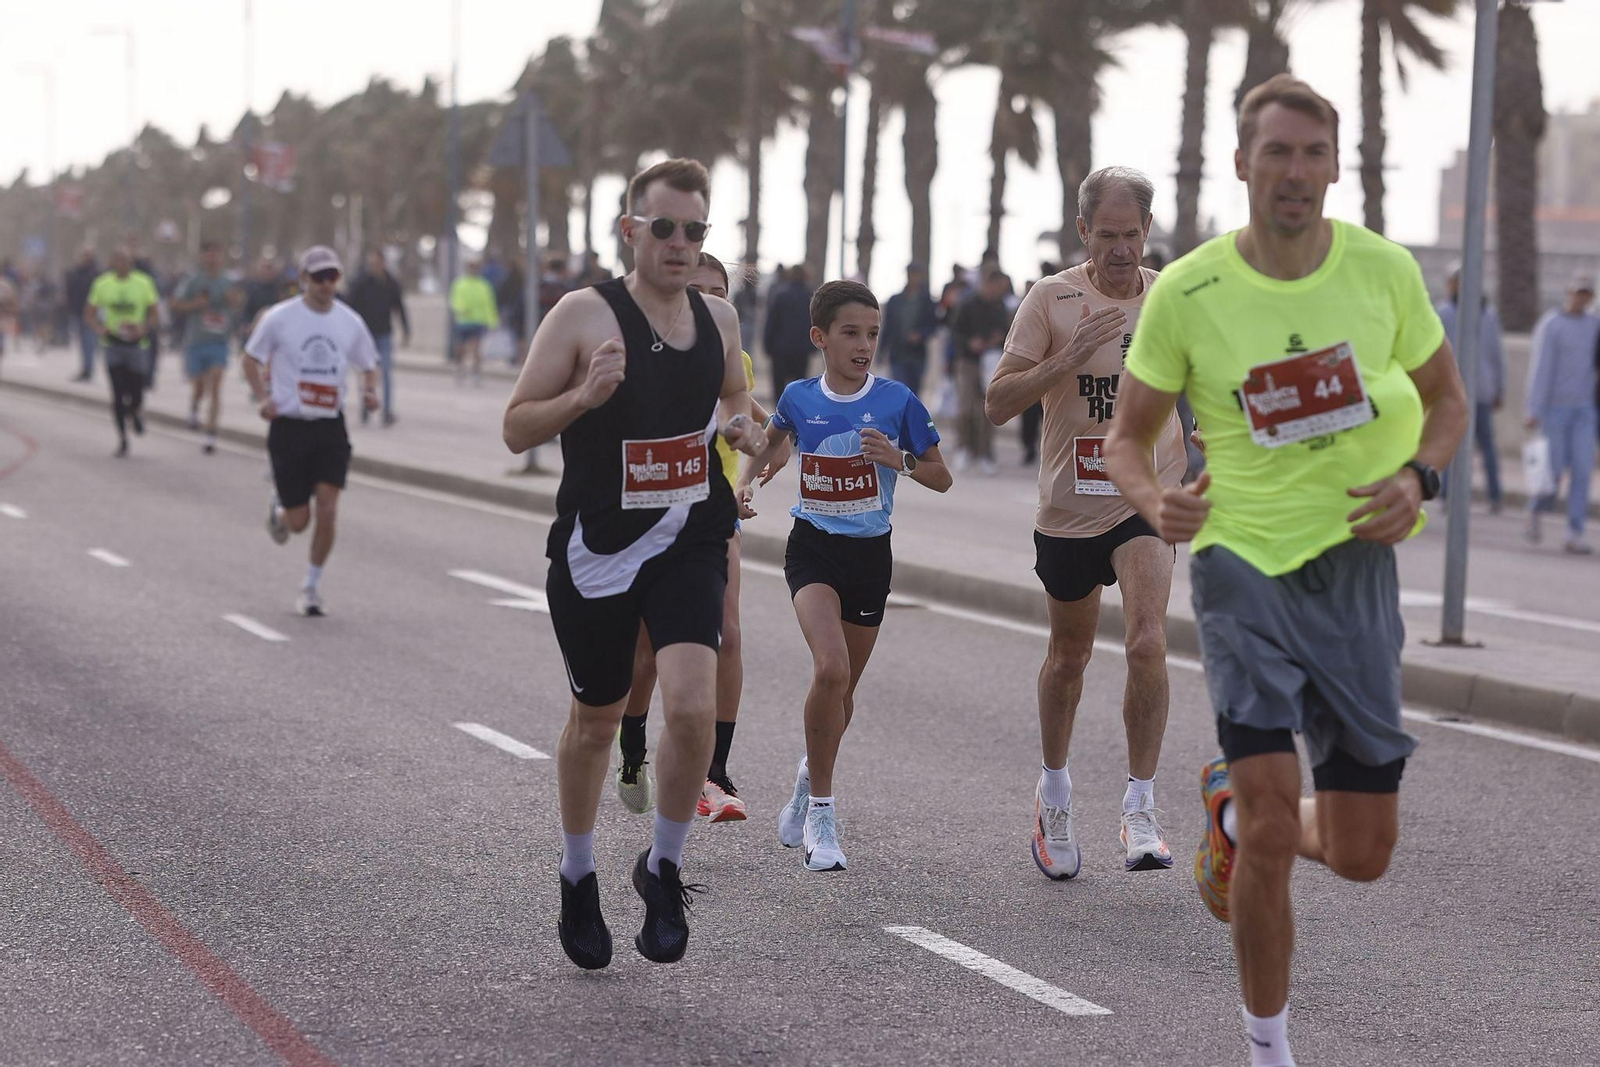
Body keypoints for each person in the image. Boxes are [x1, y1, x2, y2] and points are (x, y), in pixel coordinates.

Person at [1103, 74, 1466, 1067]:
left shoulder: (1383, 273)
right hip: (1239, 564)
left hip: (1354, 567)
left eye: (1312, 153)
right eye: (1276, 152)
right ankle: (1268, 1046)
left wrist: (1418, 476)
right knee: (1272, 819)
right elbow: (1125, 437)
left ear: (1335, 166)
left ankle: (1225, 807)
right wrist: (1153, 502)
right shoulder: (1189, 290)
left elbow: (1447, 400)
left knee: (1360, 851)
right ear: (1241, 162)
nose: (1295, 172)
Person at [501, 158, 760, 971]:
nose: (680, 244)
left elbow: (734, 402)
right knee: (595, 722)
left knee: (690, 706)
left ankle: (663, 864)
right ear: (631, 231)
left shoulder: (719, 319)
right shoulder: (582, 315)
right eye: (665, 228)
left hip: (689, 535)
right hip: (597, 547)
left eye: (695, 231)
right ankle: (577, 876)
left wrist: (748, 430)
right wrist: (582, 397)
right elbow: (515, 427)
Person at [985, 166, 1187, 881]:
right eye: (1107, 235)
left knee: (1147, 642)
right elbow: (998, 402)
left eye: (1133, 234)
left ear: (1148, 230)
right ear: (1083, 232)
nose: (1122, 249)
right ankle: (1056, 791)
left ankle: (1140, 805)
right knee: (1069, 657)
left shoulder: (1172, 297)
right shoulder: (1051, 297)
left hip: (1146, 500)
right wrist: (1065, 359)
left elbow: (1215, 389)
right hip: (1070, 508)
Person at [737, 280, 952, 872]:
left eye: (873, 334)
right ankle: (823, 818)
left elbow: (941, 475)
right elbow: (774, 446)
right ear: (820, 338)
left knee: (843, 691)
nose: (864, 345)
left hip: (870, 558)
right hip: (812, 550)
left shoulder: (898, 401)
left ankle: (810, 775)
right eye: (851, 333)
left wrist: (900, 461)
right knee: (829, 668)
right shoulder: (800, 397)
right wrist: (746, 486)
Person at [616, 251, 789, 823]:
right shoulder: (646, 351)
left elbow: (764, 433)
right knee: (645, 654)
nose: (711, 302)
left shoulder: (732, 356)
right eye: (699, 291)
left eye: (720, 293)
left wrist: (746, 480)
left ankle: (714, 773)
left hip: (712, 513)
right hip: (649, 511)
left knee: (729, 636)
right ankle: (633, 749)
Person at [243, 246, 381, 617]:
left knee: (329, 507)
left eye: (331, 277)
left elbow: (369, 364)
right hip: (289, 426)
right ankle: (280, 508)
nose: (325, 284)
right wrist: (262, 398)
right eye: (318, 277)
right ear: (303, 279)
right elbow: (250, 357)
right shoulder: (279, 318)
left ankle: (311, 586)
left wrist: (370, 390)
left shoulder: (349, 321)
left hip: (329, 427)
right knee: (299, 521)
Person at [1524, 273, 1599, 553]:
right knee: (1553, 473)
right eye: (1578, 293)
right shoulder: (1552, 325)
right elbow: (1541, 369)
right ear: (1569, 293)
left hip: (1584, 411)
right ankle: (1535, 512)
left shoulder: (1594, 325)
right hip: (1555, 410)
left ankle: (1574, 532)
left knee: (1581, 471)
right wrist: (1534, 409)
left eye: (1587, 294)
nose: (1582, 298)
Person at [1436, 264, 1505, 511]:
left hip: (1482, 391)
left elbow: (1497, 353)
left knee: (1487, 448)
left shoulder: (1488, 313)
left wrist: (1499, 388)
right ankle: (1447, 495)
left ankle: (1495, 496)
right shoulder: (1444, 313)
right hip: (1454, 391)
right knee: (1450, 444)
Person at [84, 248, 162, 457]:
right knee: (118, 394)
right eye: (118, 261)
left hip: (137, 345)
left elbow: (155, 314)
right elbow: (89, 314)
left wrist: (143, 328)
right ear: (112, 263)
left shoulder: (143, 283)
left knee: (136, 392)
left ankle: (135, 411)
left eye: (126, 261)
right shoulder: (102, 284)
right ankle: (122, 438)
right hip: (112, 344)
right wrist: (100, 328)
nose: (122, 265)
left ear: (132, 263)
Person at [172, 241, 239, 454]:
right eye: (209, 255)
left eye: (216, 254)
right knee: (200, 386)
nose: (213, 259)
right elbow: (175, 304)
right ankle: (194, 407)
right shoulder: (192, 280)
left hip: (219, 342)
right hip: (195, 342)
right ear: (203, 257)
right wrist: (195, 304)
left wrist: (234, 300)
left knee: (216, 387)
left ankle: (211, 434)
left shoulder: (229, 281)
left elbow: (239, 303)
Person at [949, 270, 1012, 475]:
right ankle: (963, 448)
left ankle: (985, 454)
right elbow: (955, 333)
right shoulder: (967, 304)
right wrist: (969, 343)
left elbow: (1008, 332)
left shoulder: (1000, 306)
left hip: (991, 362)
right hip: (968, 362)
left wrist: (996, 339)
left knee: (988, 410)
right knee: (966, 408)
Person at [345, 250, 411, 426]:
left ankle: (387, 410)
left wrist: (406, 331)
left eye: (376, 263)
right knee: (367, 372)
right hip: (365, 335)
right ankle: (366, 405)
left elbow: (400, 307)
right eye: (371, 264)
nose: (374, 267)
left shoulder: (391, 283)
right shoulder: (361, 283)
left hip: (384, 334)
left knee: (387, 373)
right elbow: (348, 306)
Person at [881, 263, 940, 395]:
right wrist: (881, 351)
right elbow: (888, 327)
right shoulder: (895, 301)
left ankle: (912, 415)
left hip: (917, 354)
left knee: (915, 390)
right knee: (901, 388)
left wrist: (920, 335)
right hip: (898, 353)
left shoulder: (926, 301)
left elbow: (933, 326)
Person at [763, 265, 815, 400]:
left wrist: (768, 345)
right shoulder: (810, 296)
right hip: (801, 349)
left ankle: (779, 416)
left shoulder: (781, 295)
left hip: (780, 348)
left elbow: (772, 322)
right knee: (799, 387)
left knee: (779, 387)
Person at [450, 257, 499, 386]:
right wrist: (460, 309)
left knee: (477, 349)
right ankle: (460, 368)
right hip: (463, 321)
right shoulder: (460, 283)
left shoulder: (484, 285)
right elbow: (455, 299)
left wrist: (492, 320)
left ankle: (476, 373)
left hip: (478, 320)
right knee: (461, 348)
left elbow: (489, 303)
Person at [65, 249, 100, 382]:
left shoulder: (95, 273)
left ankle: (88, 369)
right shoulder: (75, 272)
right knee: (82, 342)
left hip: (91, 313)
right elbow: (70, 291)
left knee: (89, 341)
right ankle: (85, 368)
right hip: (77, 311)